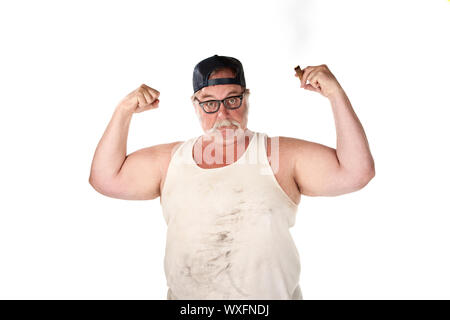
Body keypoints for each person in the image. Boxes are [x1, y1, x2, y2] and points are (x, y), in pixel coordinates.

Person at [88, 54, 375, 300]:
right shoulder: (170, 160)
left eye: (232, 100)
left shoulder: (280, 154)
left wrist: (336, 95)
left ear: (247, 99)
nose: (222, 112)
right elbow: (104, 178)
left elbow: (356, 173)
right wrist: (124, 110)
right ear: (195, 106)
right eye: (209, 103)